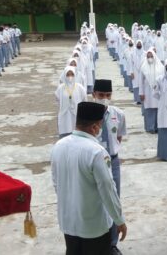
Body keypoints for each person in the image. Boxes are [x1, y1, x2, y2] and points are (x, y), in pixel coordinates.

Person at [51, 102, 127, 255]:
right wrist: (119, 220)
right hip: (93, 226)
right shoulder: (97, 152)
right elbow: (108, 190)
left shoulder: (58, 146)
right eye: (100, 125)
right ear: (94, 127)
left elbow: (56, 184)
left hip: (68, 221)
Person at [92, 80, 126, 255]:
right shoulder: (89, 116)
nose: (104, 99)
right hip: (93, 162)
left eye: (108, 96)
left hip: (112, 161)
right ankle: (98, 240)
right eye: (101, 95)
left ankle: (112, 243)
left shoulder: (118, 114)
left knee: (114, 199)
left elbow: (118, 137)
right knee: (96, 199)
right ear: (94, 95)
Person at [55, 66, 87, 138]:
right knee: (65, 134)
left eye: (72, 74)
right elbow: (57, 99)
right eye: (68, 74)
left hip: (76, 113)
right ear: (64, 75)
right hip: (64, 114)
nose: (70, 77)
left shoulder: (79, 87)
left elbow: (84, 99)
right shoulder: (61, 88)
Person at [139, 49, 164, 133]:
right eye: (148, 56)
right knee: (149, 110)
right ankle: (150, 127)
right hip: (147, 92)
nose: (150, 58)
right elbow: (140, 81)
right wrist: (141, 93)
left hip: (157, 92)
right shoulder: (143, 67)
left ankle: (157, 127)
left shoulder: (160, 66)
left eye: (151, 56)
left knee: (157, 110)